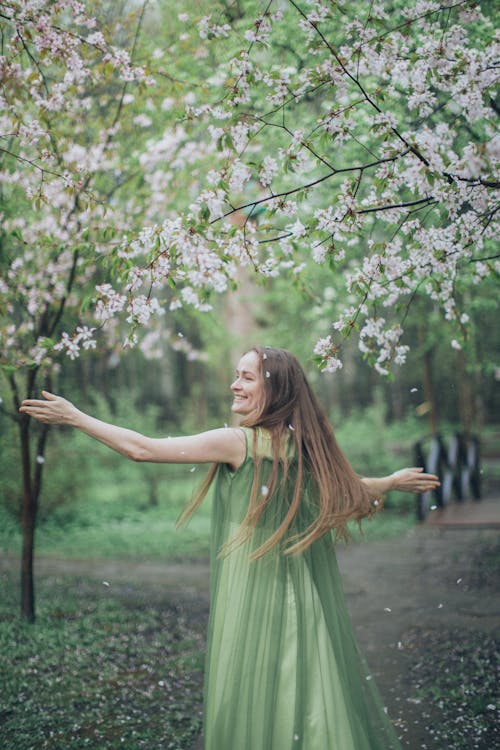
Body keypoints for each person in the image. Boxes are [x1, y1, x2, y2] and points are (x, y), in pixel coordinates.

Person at [20, 346, 439, 750]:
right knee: (306, 687)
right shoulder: (302, 449)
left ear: (273, 390)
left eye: (247, 377)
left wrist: (76, 417)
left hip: (253, 590)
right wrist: (389, 482)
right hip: (299, 595)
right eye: (236, 375)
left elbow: (142, 449)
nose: (235, 385)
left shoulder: (237, 442)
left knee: (254, 686)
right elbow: (349, 489)